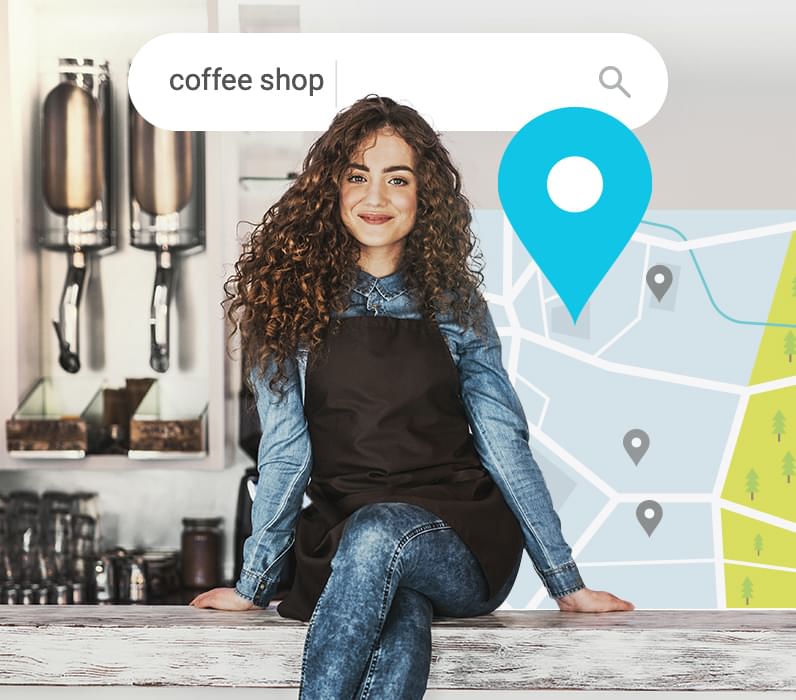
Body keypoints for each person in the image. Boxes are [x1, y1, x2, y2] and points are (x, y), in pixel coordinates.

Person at [190, 95, 634, 699]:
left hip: (461, 539)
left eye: (397, 179)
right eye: (357, 176)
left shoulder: (457, 307)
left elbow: (504, 443)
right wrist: (254, 583)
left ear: (424, 195)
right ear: (330, 190)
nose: (376, 198)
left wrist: (564, 581)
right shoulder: (285, 310)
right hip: (341, 545)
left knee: (380, 534)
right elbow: (286, 455)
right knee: (398, 613)